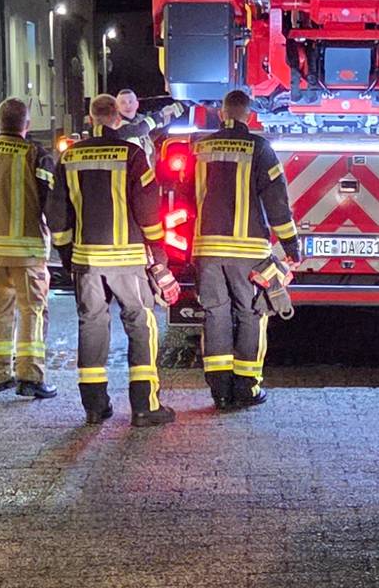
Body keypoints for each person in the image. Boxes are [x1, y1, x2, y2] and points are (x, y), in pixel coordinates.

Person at [54, 94, 175, 427]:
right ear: (117, 119)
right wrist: (158, 251)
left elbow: (58, 214)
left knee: (91, 325)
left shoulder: (69, 157)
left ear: (91, 118)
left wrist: (66, 255)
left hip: (87, 259)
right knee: (141, 324)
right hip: (127, 259)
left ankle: (94, 407)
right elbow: (148, 210)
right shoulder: (133, 154)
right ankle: (144, 405)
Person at [187, 89, 300, 409]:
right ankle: (246, 387)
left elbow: (186, 195)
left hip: (207, 248)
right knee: (252, 314)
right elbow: (276, 200)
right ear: (250, 116)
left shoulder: (202, 147)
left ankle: (220, 390)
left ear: (221, 114)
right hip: (249, 250)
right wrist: (290, 241)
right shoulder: (260, 148)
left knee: (215, 315)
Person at [0, 97, 65, 400]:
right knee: (32, 311)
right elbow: (51, 202)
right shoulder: (35, 154)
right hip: (27, 251)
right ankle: (30, 377)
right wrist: (62, 240)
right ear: (27, 125)